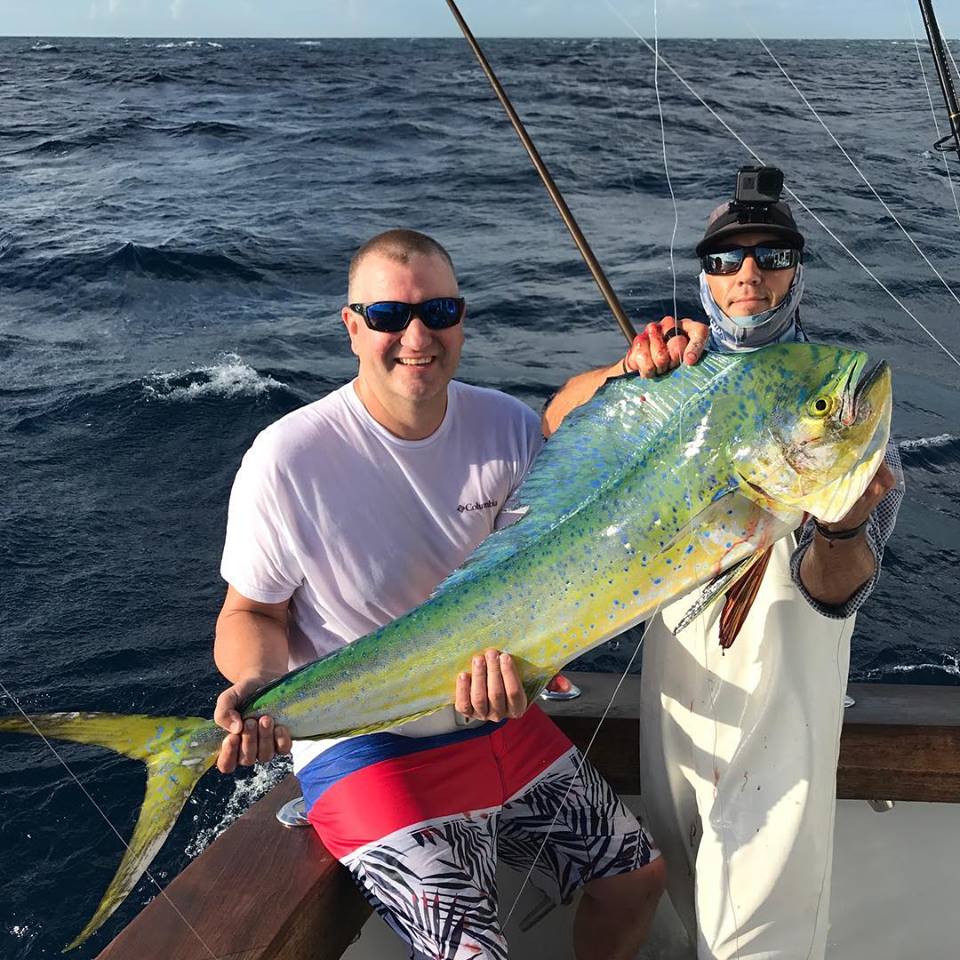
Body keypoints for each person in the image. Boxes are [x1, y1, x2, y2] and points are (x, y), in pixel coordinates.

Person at [212, 228, 665, 960]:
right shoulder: (287, 459)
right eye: (389, 316)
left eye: (439, 312)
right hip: (362, 746)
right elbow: (249, 614)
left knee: (636, 877)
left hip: (497, 718)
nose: (416, 336)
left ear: (463, 320)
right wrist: (260, 684)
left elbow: (576, 427)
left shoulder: (506, 426)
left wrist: (636, 365)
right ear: (353, 326)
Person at [543, 170, 903, 960]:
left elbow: (837, 592)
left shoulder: (835, 399)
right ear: (703, 273)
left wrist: (839, 532)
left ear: (796, 271)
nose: (749, 274)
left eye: (772, 254)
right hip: (676, 711)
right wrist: (628, 379)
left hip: (781, 718)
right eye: (725, 258)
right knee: (677, 918)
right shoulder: (678, 382)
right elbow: (557, 419)